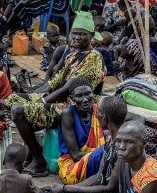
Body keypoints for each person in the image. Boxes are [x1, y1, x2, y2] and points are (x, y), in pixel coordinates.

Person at [8, 12, 106, 175]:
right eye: (74, 33)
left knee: (19, 111)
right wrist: (34, 95)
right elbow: (52, 83)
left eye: (82, 34)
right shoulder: (73, 55)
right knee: (13, 100)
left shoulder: (94, 58)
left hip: (76, 107)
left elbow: (68, 88)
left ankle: (39, 160)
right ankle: (34, 152)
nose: (76, 37)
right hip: (61, 100)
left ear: (91, 36)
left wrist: (40, 103)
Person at [38, 95, 129, 193]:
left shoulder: (123, 147)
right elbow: (99, 176)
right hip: (104, 191)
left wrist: (66, 189)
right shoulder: (110, 140)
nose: (95, 116)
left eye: (98, 113)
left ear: (105, 118)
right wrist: (66, 189)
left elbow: (109, 187)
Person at [56, 79, 105, 185]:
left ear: (92, 93)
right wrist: (105, 153)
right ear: (72, 98)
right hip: (73, 167)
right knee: (112, 152)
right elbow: (75, 155)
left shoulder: (98, 110)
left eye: (88, 94)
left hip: (96, 160)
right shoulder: (68, 113)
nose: (85, 100)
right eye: (79, 96)